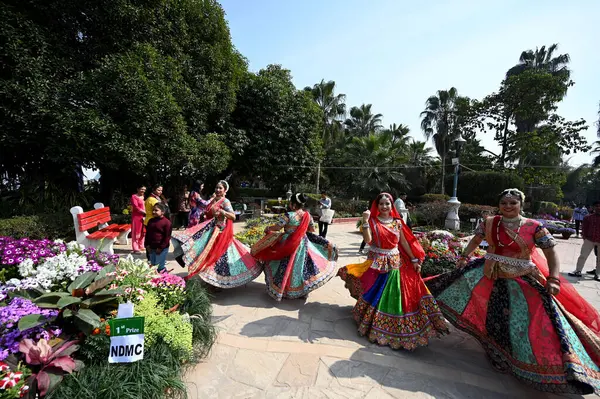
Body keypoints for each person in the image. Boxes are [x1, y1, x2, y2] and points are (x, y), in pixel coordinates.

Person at [425, 189, 600, 395]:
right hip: (489, 273)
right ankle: (496, 352)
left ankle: (551, 364)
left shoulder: (535, 227)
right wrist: (464, 257)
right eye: (504, 203)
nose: (508, 206)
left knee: (534, 319)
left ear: (521, 205)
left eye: (513, 203)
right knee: (484, 309)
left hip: (522, 279)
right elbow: (475, 240)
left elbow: (551, 253)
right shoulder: (490, 222)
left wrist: (553, 279)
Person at [337, 193, 449, 350]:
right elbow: (368, 240)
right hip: (377, 261)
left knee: (391, 293)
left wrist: (414, 259)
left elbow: (403, 241)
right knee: (374, 289)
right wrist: (364, 220)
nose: (384, 207)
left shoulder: (397, 222)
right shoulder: (373, 221)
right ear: (377, 205)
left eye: (387, 204)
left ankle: (389, 326)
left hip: (394, 262)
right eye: (381, 204)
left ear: (392, 206)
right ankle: (371, 320)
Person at [171, 180, 262, 288]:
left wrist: (223, 212)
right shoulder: (214, 199)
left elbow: (233, 216)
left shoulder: (225, 201)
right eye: (216, 188)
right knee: (201, 252)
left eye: (220, 188)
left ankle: (217, 282)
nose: (217, 190)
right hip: (210, 230)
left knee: (218, 257)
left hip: (220, 232)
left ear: (225, 190)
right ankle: (209, 280)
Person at [251, 193, 338, 301]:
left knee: (283, 265)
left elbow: (278, 227)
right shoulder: (307, 215)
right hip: (302, 243)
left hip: (287, 243)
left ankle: (283, 290)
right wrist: (300, 229)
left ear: (292, 204)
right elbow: (311, 230)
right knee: (300, 267)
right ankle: (301, 291)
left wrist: (268, 227)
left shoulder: (288, 215)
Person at [569, 200, 600, 279]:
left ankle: (598, 274)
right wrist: (584, 237)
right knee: (583, 255)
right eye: (596, 206)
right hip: (589, 239)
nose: (598, 208)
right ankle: (578, 270)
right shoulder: (588, 218)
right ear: (593, 207)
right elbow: (584, 228)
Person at [144, 203, 172, 272]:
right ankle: (154, 281)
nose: (153, 212)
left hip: (161, 248)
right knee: (153, 265)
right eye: (153, 210)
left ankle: (164, 280)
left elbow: (167, 237)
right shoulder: (151, 221)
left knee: (160, 266)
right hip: (151, 247)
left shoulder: (167, 223)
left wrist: (160, 248)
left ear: (162, 212)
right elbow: (147, 234)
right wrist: (147, 245)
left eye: (156, 210)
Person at [144, 184, 163, 261]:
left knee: (149, 239)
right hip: (153, 221)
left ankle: (150, 258)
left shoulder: (149, 198)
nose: (160, 192)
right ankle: (152, 259)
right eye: (158, 190)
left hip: (148, 220)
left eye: (161, 190)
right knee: (153, 240)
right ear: (154, 190)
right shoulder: (154, 200)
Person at [130, 185, 146, 254]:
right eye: (142, 189)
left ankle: (141, 245)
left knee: (143, 231)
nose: (143, 191)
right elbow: (136, 207)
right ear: (138, 189)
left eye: (144, 189)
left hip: (143, 217)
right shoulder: (134, 197)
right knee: (136, 232)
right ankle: (135, 248)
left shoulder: (143, 196)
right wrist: (144, 212)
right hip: (136, 217)